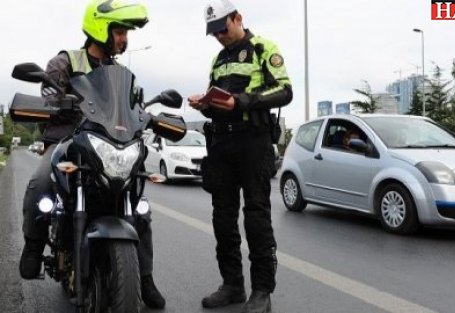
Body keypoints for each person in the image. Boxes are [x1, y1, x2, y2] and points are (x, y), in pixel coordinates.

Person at [19, 0, 166, 309]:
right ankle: (33, 247)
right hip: (66, 142)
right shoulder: (65, 62)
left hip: (108, 146)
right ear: (101, 29)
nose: (124, 39)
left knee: (140, 206)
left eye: (126, 32)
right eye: (120, 31)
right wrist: (56, 100)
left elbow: (132, 108)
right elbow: (47, 96)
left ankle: (145, 277)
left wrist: (148, 116)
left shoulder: (121, 73)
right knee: (40, 182)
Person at [188, 1, 293, 312]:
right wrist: (203, 103)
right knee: (222, 217)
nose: (219, 35)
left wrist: (241, 102)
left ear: (238, 18)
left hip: (253, 143)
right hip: (221, 143)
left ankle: (262, 291)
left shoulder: (263, 48)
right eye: (214, 32)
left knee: (257, 217)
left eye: (223, 28)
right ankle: (232, 284)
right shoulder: (218, 59)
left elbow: (285, 91)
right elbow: (215, 97)